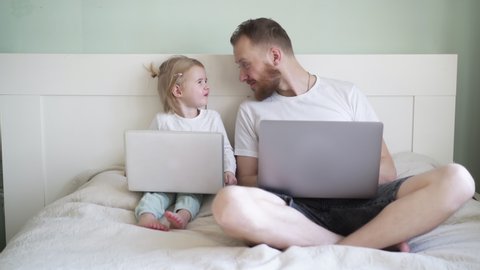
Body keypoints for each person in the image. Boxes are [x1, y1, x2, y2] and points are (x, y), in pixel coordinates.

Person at [211, 18, 475, 251]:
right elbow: (246, 179)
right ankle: (364, 241)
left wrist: (331, 172)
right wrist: (298, 176)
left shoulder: (345, 94)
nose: (242, 76)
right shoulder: (250, 110)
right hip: (294, 212)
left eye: (245, 65)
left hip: (363, 206)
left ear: (275, 57)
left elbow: (387, 170)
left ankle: (348, 243)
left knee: (459, 179)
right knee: (226, 203)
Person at [135, 55, 237, 231]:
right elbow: (146, 151)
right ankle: (147, 216)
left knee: (192, 196)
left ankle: (182, 216)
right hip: (166, 178)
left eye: (206, 81)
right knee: (154, 194)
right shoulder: (163, 121)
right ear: (178, 90)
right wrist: (137, 169)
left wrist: (229, 170)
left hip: (195, 179)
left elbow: (225, 149)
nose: (207, 86)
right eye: (199, 82)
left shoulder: (212, 118)